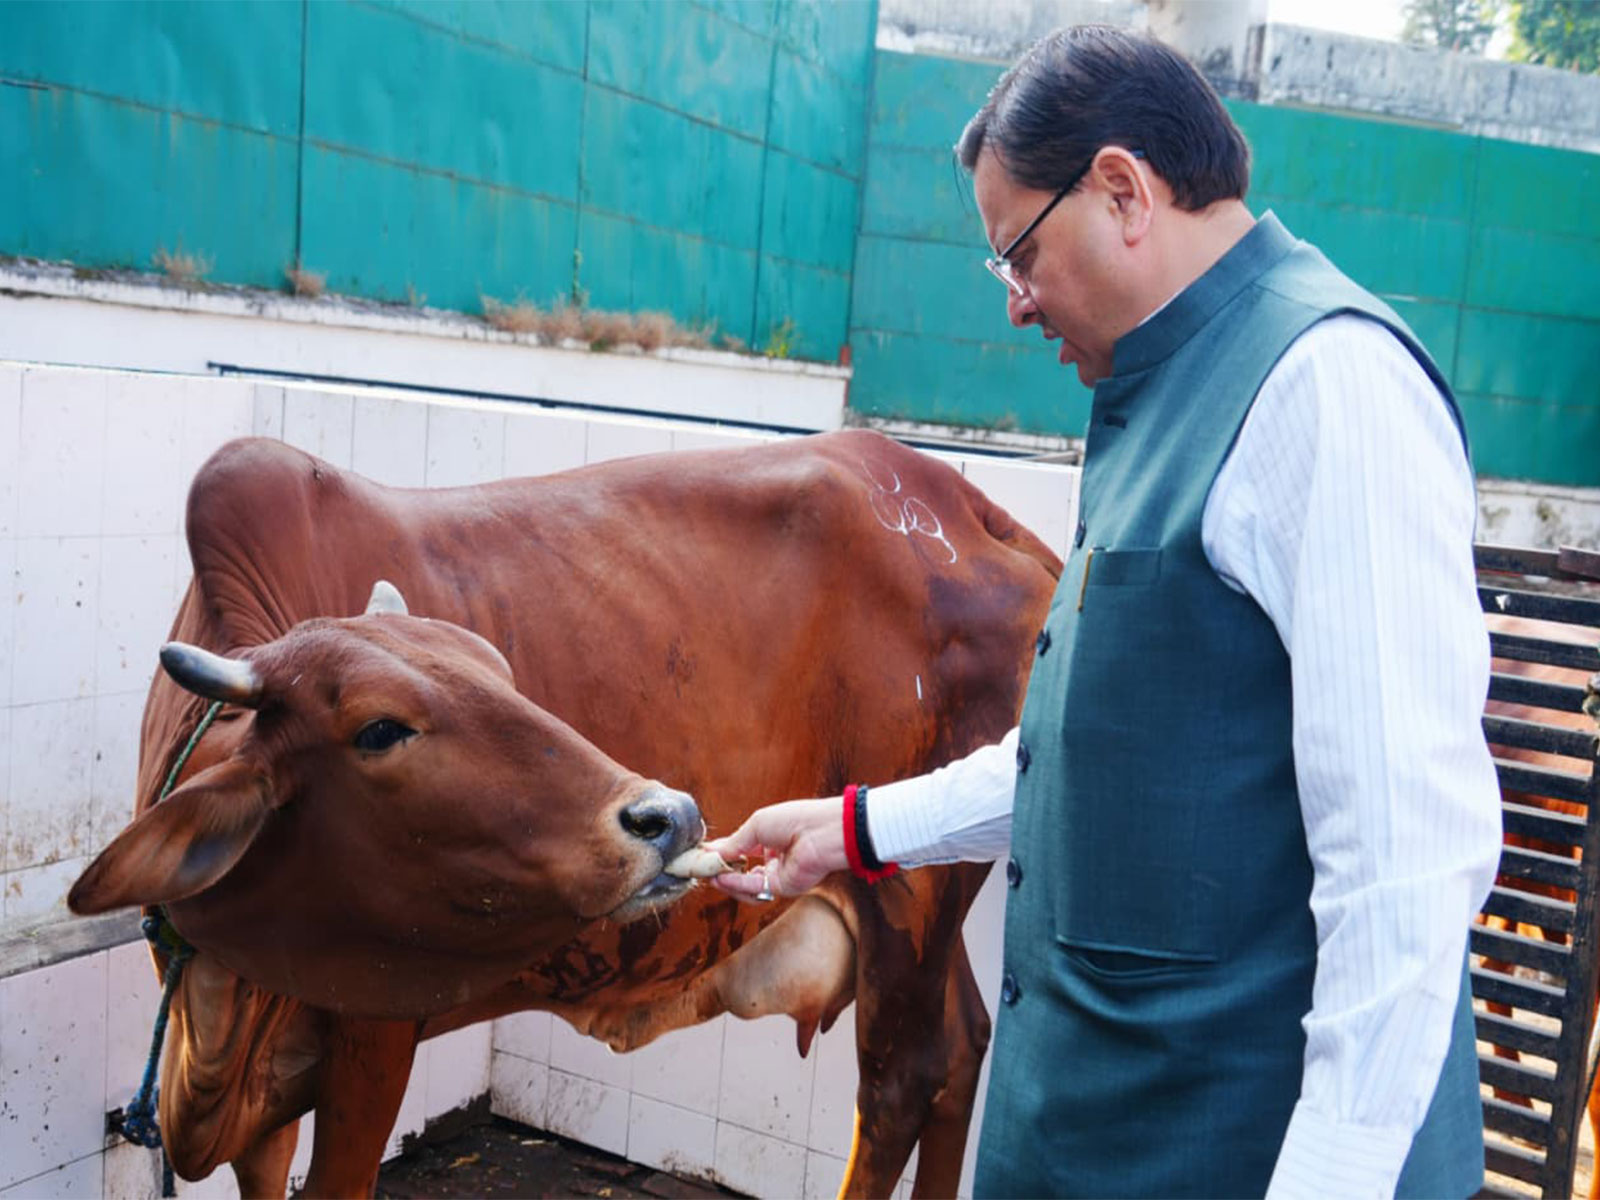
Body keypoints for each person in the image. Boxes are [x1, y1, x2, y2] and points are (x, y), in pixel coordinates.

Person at [707, 23, 1503, 1200]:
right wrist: (856, 830)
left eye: (1019, 255)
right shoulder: (1161, 391)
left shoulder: (1329, 389)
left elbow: (1405, 872)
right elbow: (1099, 756)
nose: (1016, 305)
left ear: (1124, 190)